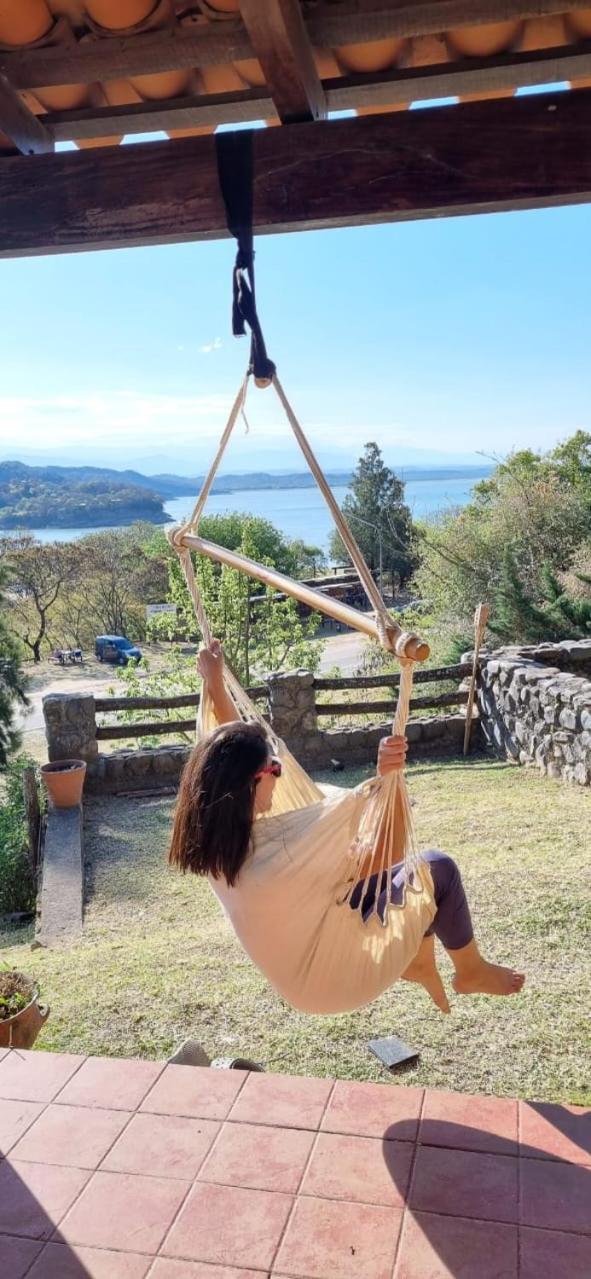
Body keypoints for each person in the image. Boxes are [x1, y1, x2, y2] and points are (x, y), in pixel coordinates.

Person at [169, 641, 525, 1015]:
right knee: (437, 869)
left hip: (303, 961)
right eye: (274, 767)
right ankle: (470, 970)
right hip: (333, 981)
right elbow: (386, 855)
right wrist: (389, 781)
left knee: (399, 884)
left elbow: (231, 750)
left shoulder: (214, 834)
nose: (280, 772)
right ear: (249, 782)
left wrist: (214, 683)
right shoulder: (285, 858)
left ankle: (419, 962)